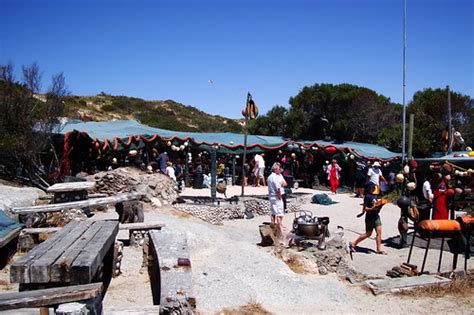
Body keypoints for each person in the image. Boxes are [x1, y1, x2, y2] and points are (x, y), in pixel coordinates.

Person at [350, 183, 387, 255]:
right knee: (368, 234)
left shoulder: (374, 196)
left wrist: (380, 205)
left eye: (374, 187)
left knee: (379, 233)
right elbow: (366, 208)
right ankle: (354, 243)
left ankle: (379, 249)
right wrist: (369, 210)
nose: (374, 188)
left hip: (376, 216)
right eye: (373, 187)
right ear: (369, 188)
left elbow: (376, 206)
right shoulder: (367, 197)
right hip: (370, 218)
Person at [267, 163, 285, 238]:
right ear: (275, 169)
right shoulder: (275, 177)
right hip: (276, 196)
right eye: (278, 169)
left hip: (271, 196)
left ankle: (273, 226)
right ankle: (279, 228)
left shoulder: (269, 177)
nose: (280, 170)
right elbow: (278, 188)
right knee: (279, 213)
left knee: (273, 212)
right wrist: (279, 196)